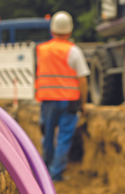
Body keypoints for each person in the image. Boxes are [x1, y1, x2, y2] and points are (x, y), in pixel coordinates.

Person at [35, 11, 90, 181]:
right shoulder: (74, 51)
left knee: (48, 137)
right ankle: (55, 173)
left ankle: (45, 172)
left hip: (48, 100)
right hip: (69, 101)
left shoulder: (42, 50)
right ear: (70, 31)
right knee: (64, 138)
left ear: (52, 31)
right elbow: (82, 80)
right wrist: (84, 104)